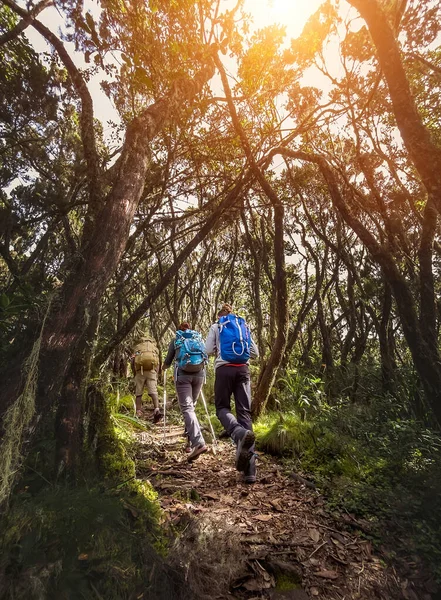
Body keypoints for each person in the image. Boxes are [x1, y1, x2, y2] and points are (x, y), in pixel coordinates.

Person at [205, 303, 259, 484]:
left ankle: (237, 432)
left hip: (224, 370)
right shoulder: (243, 326)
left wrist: (219, 351)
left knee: (221, 408)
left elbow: (208, 350)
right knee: (245, 413)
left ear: (220, 315)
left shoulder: (217, 326)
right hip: (243, 370)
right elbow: (255, 353)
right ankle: (250, 471)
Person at [162, 322, 208, 462]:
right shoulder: (198, 338)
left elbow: (168, 360)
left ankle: (198, 443)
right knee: (191, 408)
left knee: (187, 409)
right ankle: (189, 444)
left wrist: (163, 368)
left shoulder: (177, 339)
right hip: (199, 375)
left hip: (182, 375)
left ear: (180, 330)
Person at [131, 336, 161, 422]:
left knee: (138, 392)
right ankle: (157, 409)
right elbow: (157, 362)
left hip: (140, 372)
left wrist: (134, 372)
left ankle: (138, 411)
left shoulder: (138, 348)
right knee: (154, 391)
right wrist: (156, 373)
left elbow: (133, 361)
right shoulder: (154, 348)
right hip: (151, 371)